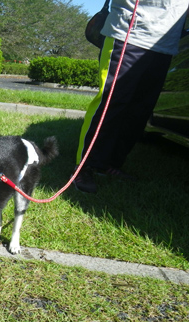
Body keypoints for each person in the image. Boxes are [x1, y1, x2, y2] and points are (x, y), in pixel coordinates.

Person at [73, 0, 189, 193]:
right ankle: (83, 167)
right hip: (128, 35)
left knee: (140, 110)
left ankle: (108, 164)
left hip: (165, 45)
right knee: (111, 103)